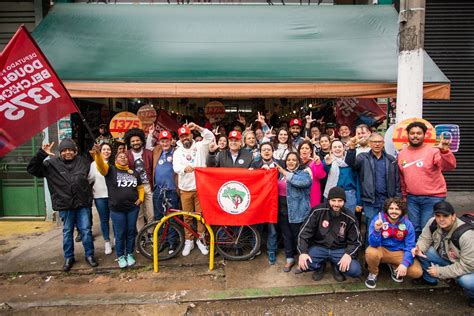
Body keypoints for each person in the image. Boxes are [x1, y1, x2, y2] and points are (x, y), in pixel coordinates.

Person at [27, 139, 97, 272]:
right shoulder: (51, 164)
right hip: (65, 205)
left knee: (86, 231)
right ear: (60, 152)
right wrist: (42, 153)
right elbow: (32, 169)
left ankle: (89, 255)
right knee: (67, 232)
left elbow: (92, 177)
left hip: (82, 204)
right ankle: (69, 257)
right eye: (64, 150)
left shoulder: (83, 161)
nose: (68, 152)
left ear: (75, 151)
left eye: (70, 150)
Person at [397, 121, 456, 238]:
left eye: (419, 133)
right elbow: (402, 177)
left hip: (433, 197)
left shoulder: (433, 151)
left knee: (427, 228)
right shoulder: (402, 154)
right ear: (407, 135)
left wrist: (444, 151)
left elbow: (449, 166)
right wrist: (404, 195)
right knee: (413, 227)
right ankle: (415, 252)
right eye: (412, 133)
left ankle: (427, 254)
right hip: (412, 198)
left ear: (424, 135)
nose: (415, 135)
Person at [91, 146, 144, 269]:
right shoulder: (110, 170)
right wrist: (98, 154)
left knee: (131, 232)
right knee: (120, 234)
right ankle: (120, 256)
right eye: (120, 156)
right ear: (115, 160)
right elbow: (100, 167)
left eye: (125, 156)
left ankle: (129, 253)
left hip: (132, 209)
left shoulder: (134, 173)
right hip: (117, 210)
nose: (123, 158)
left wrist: (140, 199)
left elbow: (140, 187)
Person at [413, 201, 474, 307]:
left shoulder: (466, 235)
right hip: (451, 258)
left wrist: (440, 272)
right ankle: (430, 279)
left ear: (453, 216)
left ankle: (472, 296)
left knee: (465, 280)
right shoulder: (433, 222)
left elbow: (468, 265)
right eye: (438, 215)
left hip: (469, 266)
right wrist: (419, 248)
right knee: (424, 251)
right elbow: (424, 239)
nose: (441, 219)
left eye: (445, 216)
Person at [298, 186, 362, 282]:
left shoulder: (350, 217)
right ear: (328, 200)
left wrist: (348, 254)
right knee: (303, 264)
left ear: (344, 202)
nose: (336, 204)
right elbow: (303, 233)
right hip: (319, 248)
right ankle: (320, 266)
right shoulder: (317, 211)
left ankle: (336, 266)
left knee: (355, 270)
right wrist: (302, 252)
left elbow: (356, 241)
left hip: (339, 250)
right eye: (333, 200)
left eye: (340, 201)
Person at [173, 123, 214, 256]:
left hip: (200, 188)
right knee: (187, 217)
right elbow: (175, 167)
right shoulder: (178, 151)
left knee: (201, 216)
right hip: (185, 189)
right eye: (182, 136)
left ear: (191, 135)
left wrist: (197, 127)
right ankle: (189, 241)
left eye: (187, 135)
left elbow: (210, 137)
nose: (185, 138)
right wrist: (184, 169)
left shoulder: (200, 146)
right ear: (179, 138)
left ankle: (201, 240)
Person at [346, 133, 401, 228]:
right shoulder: (363, 157)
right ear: (369, 144)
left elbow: (397, 180)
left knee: (388, 227)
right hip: (370, 200)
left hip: (388, 200)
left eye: (379, 142)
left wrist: (397, 198)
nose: (377, 144)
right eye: (374, 142)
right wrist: (351, 148)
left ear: (383, 143)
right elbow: (351, 163)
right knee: (372, 226)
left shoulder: (390, 159)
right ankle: (370, 243)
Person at [365, 197, 422, 289]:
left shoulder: (407, 224)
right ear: (387, 209)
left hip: (399, 252)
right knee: (371, 252)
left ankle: (394, 266)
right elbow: (373, 244)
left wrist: (404, 264)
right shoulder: (378, 220)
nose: (394, 211)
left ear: (402, 210)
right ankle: (373, 273)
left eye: (397, 209)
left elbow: (410, 246)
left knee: (417, 272)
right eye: (391, 208)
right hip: (381, 250)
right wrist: (376, 230)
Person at [275, 152, 313, 272]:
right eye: (288, 160)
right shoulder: (280, 175)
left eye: (293, 160)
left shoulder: (304, 173)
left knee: (300, 237)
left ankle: (303, 262)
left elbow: (302, 183)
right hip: (282, 210)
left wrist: (285, 173)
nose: (290, 162)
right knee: (287, 236)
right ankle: (290, 258)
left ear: (298, 162)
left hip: (298, 211)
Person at [250, 142, 279, 265]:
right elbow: (250, 180)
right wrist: (256, 172)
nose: (266, 152)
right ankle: (254, 249)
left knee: (272, 229)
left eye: (269, 149)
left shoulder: (279, 164)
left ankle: (271, 250)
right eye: (264, 150)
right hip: (259, 201)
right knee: (257, 227)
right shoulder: (255, 164)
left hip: (274, 201)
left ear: (273, 151)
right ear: (260, 152)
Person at [124, 128, 154, 232]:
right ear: (129, 142)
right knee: (139, 214)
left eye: (137, 140)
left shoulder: (149, 153)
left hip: (147, 186)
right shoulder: (126, 155)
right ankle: (142, 236)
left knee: (151, 213)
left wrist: (150, 134)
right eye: (133, 141)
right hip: (134, 188)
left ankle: (151, 234)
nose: (135, 143)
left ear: (141, 141)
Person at [88, 143, 113, 255]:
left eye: (108, 149)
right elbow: (90, 179)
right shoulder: (94, 164)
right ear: (100, 151)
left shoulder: (114, 164)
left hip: (113, 196)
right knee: (104, 220)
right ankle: (107, 242)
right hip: (100, 196)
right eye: (104, 149)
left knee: (116, 219)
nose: (106, 151)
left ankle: (117, 238)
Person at [323, 140, 358, 214]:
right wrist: (327, 164)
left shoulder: (350, 161)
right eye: (334, 147)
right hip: (333, 193)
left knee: (348, 218)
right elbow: (323, 174)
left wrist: (359, 201)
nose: (337, 149)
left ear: (344, 148)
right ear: (331, 150)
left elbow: (357, 180)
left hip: (349, 194)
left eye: (339, 146)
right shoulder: (328, 160)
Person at [152, 130, 179, 222]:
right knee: (158, 214)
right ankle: (159, 235)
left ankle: (172, 236)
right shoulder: (157, 150)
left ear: (171, 141)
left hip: (172, 189)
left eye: (167, 141)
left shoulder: (177, 151)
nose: (165, 143)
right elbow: (147, 147)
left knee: (172, 215)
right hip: (158, 189)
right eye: (162, 141)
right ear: (159, 142)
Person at [298, 140, 326, 208]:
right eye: (302, 148)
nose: (304, 150)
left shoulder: (314, 162)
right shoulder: (296, 162)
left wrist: (318, 164)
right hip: (299, 194)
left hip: (313, 194)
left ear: (311, 151)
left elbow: (321, 176)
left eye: (307, 148)